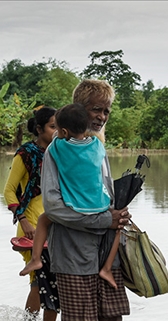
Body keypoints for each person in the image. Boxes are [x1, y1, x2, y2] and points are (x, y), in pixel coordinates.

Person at [22, 80, 131, 321]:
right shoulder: (57, 151)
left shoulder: (97, 146)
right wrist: (102, 219)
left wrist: (118, 213)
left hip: (105, 247)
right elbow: (53, 208)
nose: (101, 116)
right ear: (80, 111)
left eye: (106, 111)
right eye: (96, 109)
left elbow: (103, 192)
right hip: (71, 251)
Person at [19, 103, 119, 289]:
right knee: (119, 226)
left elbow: (58, 142)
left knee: (43, 219)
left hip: (75, 205)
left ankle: (35, 259)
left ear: (63, 131)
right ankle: (107, 268)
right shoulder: (97, 146)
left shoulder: (57, 148)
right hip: (102, 205)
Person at [4, 106, 59, 321]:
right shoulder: (25, 154)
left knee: (48, 280)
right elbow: (8, 191)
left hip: (55, 222)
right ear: (39, 129)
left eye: (59, 127)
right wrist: (24, 221)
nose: (56, 131)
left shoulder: (59, 152)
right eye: (52, 126)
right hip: (32, 222)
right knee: (39, 280)